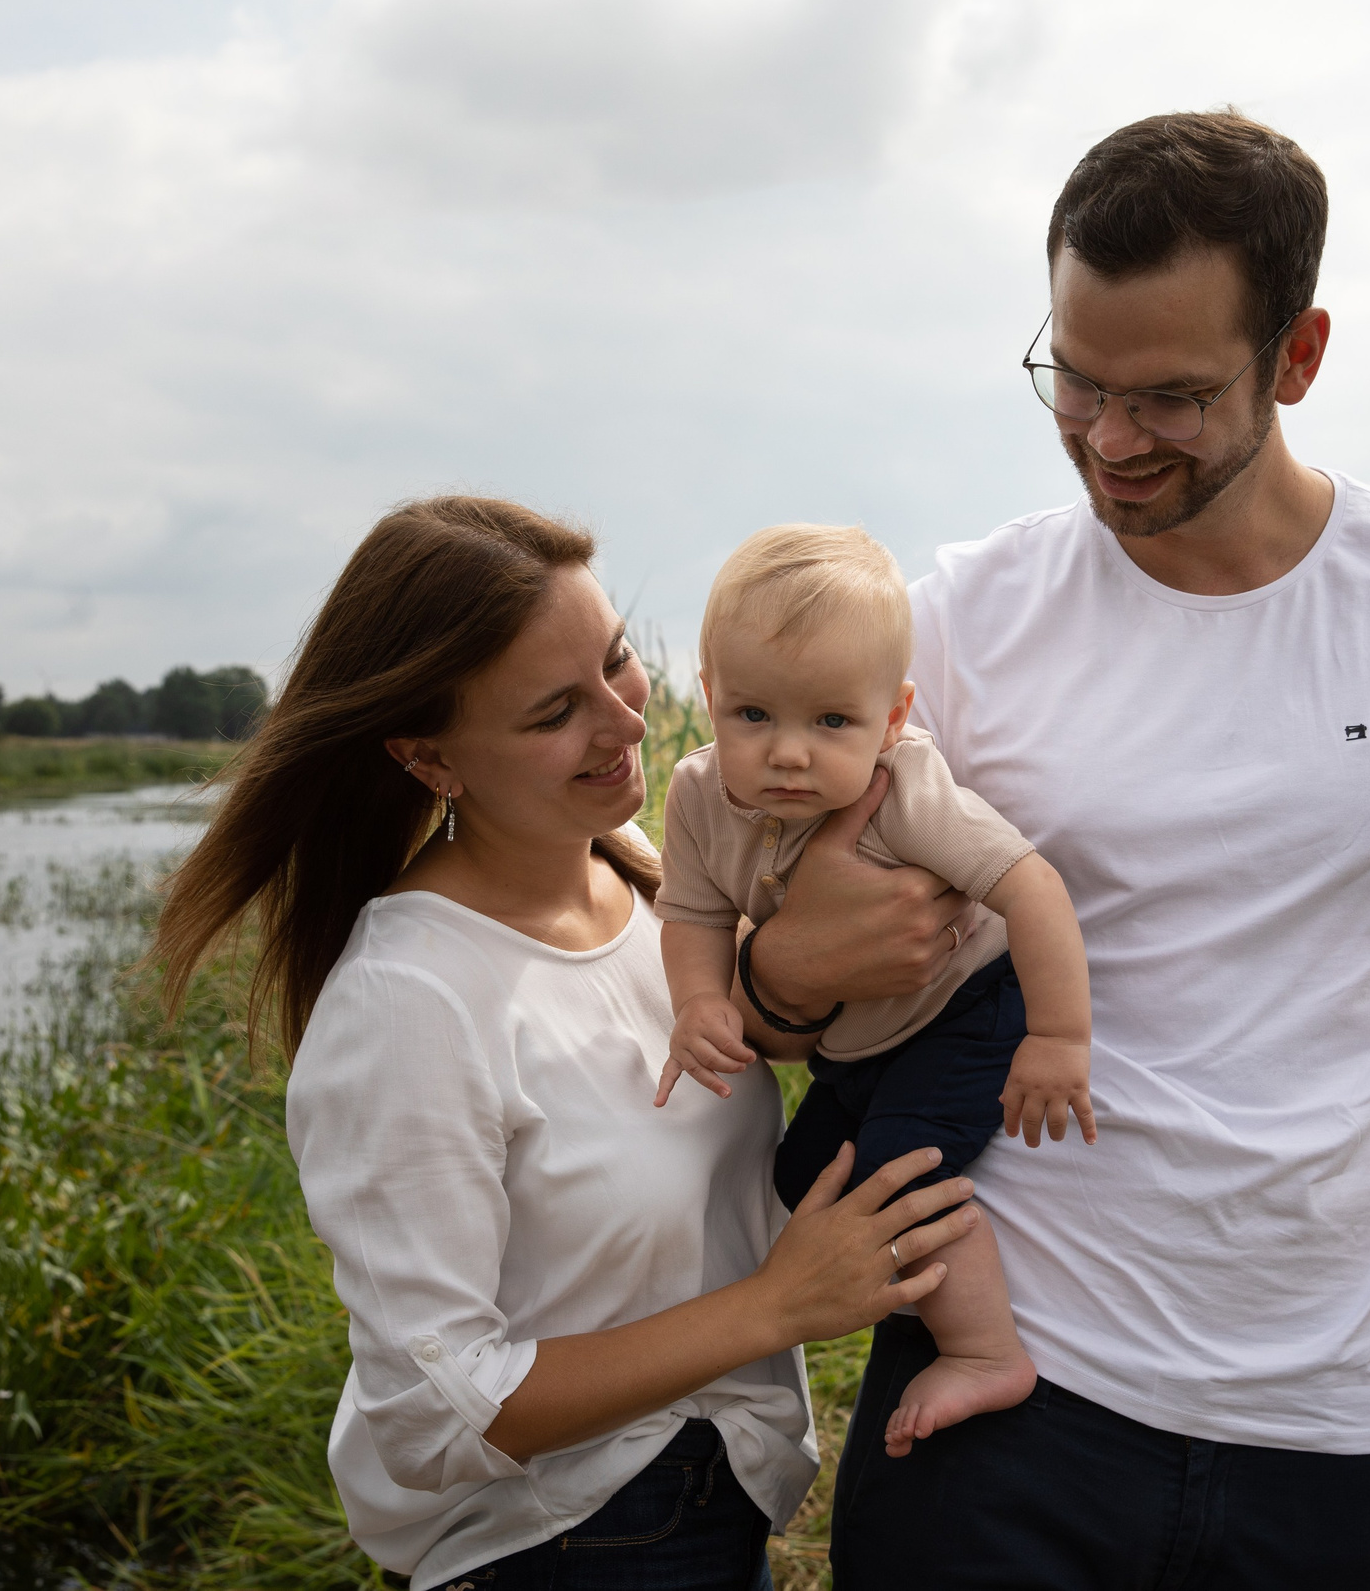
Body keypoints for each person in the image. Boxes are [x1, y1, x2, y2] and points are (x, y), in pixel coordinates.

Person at [740, 112, 1370, 1591]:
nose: (1107, 437)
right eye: (1073, 379)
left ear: (1298, 357)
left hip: (1328, 1431)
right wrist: (781, 974)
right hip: (998, 1401)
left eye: (1166, 397)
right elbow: (774, 969)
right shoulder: (950, 626)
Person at [146, 496, 983, 1591]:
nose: (628, 721)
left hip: (708, 1497)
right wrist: (779, 1305)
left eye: (618, 660)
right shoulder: (411, 1002)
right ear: (429, 758)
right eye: (554, 713)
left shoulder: (632, 865)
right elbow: (436, 1418)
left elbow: (717, 1039)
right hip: (561, 1543)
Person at [650, 523, 1096, 1458]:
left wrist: (1057, 1037)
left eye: (831, 722)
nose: (788, 754)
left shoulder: (907, 789)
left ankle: (984, 1349)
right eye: (754, 716)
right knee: (800, 1175)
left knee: (899, 1172)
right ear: (711, 700)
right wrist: (700, 1002)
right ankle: (910, 1301)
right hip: (858, 1040)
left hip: (970, 1010)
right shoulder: (695, 798)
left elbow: (1030, 885)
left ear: (892, 719)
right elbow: (691, 914)